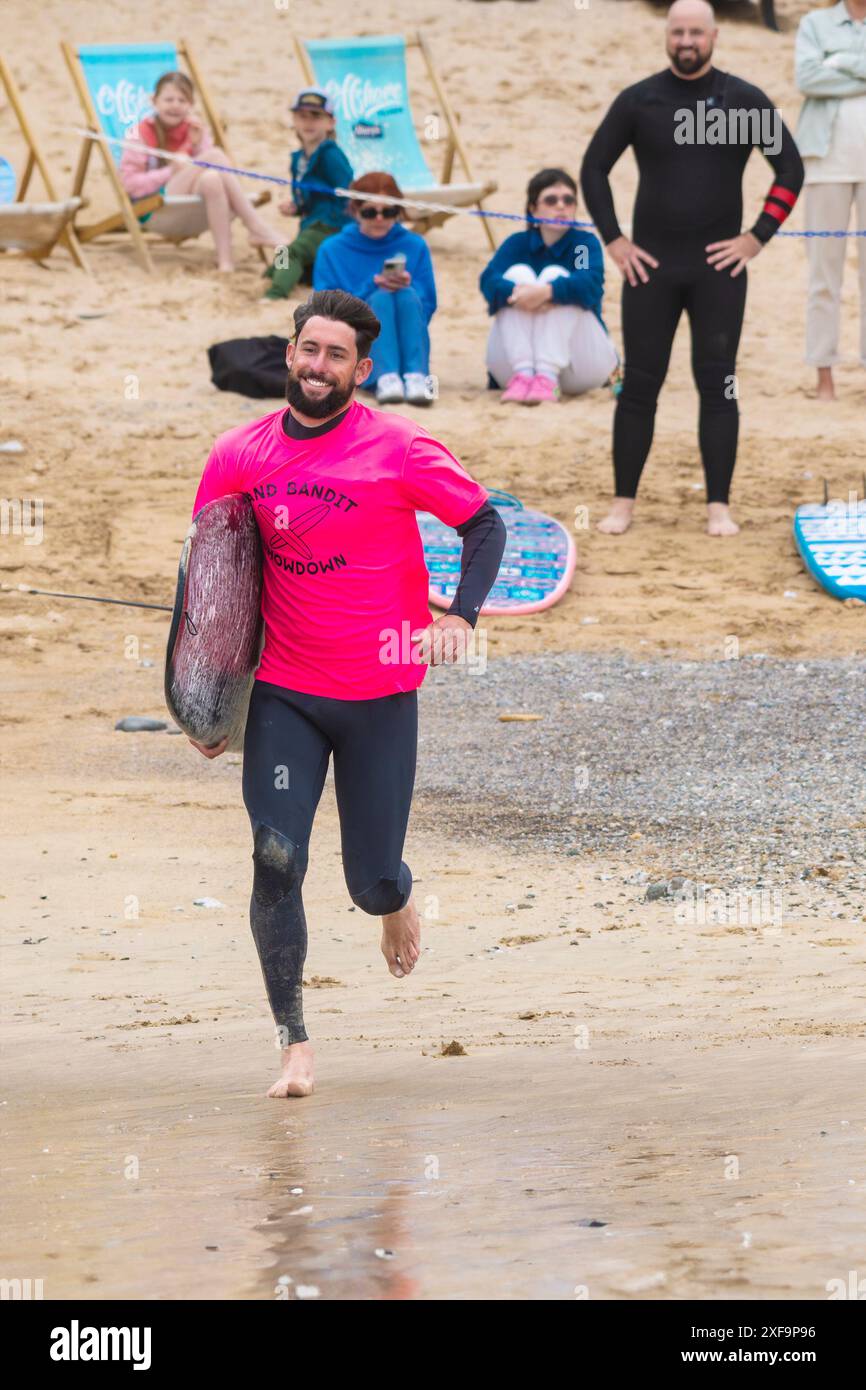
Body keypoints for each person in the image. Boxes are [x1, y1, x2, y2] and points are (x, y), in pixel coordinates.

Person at [187, 289, 506, 1099]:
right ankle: (293, 1041)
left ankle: (396, 897)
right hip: (287, 693)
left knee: (369, 884)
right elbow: (216, 582)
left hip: (379, 693)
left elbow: (484, 526)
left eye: (335, 356)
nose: (317, 366)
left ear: (361, 369)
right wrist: (207, 699)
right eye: (307, 349)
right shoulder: (237, 454)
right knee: (275, 857)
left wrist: (462, 619)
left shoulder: (398, 449)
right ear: (289, 351)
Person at [581, 0, 804, 536]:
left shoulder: (744, 100)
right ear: (666, 35)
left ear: (715, 36)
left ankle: (718, 507)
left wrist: (756, 238)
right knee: (639, 385)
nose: (686, 41)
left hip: (719, 272)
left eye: (696, 33)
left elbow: (790, 170)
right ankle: (623, 505)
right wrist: (614, 240)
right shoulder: (641, 100)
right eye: (678, 32)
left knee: (719, 383)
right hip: (649, 270)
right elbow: (594, 169)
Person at [479, 168, 617, 404]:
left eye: (568, 200)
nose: (561, 206)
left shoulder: (581, 246)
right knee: (518, 275)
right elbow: (489, 281)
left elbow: (587, 282)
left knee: (556, 276)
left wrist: (547, 293)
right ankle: (525, 374)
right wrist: (520, 294)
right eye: (551, 200)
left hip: (578, 368)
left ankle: (546, 374)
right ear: (533, 208)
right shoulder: (517, 245)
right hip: (516, 370)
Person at [119, 71, 280, 272]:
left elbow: (217, 174)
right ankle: (254, 225)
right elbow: (130, 185)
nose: (175, 105)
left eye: (182, 100)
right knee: (215, 156)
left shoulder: (193, 129)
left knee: (212, 178)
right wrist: (170, 171)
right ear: (154, 101)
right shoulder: (139, 133)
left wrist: (194, 145)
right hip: (154, 209)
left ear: (191, 104)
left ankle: (225, 261)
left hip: (190, 204)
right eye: (169, 99)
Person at [313, 172, 438, 405]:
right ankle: (384, 376)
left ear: (399, 210)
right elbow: (322, 309)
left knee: (407, 294)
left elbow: (429, 303)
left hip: (407, 341)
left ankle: (415, 374)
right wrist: (371, 286)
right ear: (355, 211)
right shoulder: (332, 249)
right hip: (355, 346)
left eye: (389, 212)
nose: (379, 219)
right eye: (370, 212)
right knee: (380, 298)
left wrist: (406, 288)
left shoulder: (415, 245)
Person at [795, 0, 866, 401]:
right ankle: (824, 377)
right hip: (825, 163)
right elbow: (807, 79)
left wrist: (838, 62)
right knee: (824, 276)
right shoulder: (814, 23)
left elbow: (823, 75)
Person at [262, 87, 353, 301]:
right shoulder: (298, 158)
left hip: (331, 225)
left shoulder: (331, 154)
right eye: (302, 116)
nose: (308, 122)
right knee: (283, 253)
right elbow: (307, 196)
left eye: (316, 117)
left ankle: (274, 294)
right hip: (310, 224)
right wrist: (297, 206)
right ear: (294, 120)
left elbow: (347, 191)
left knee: (291, 252)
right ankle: (271, 277)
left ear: (330, 123)